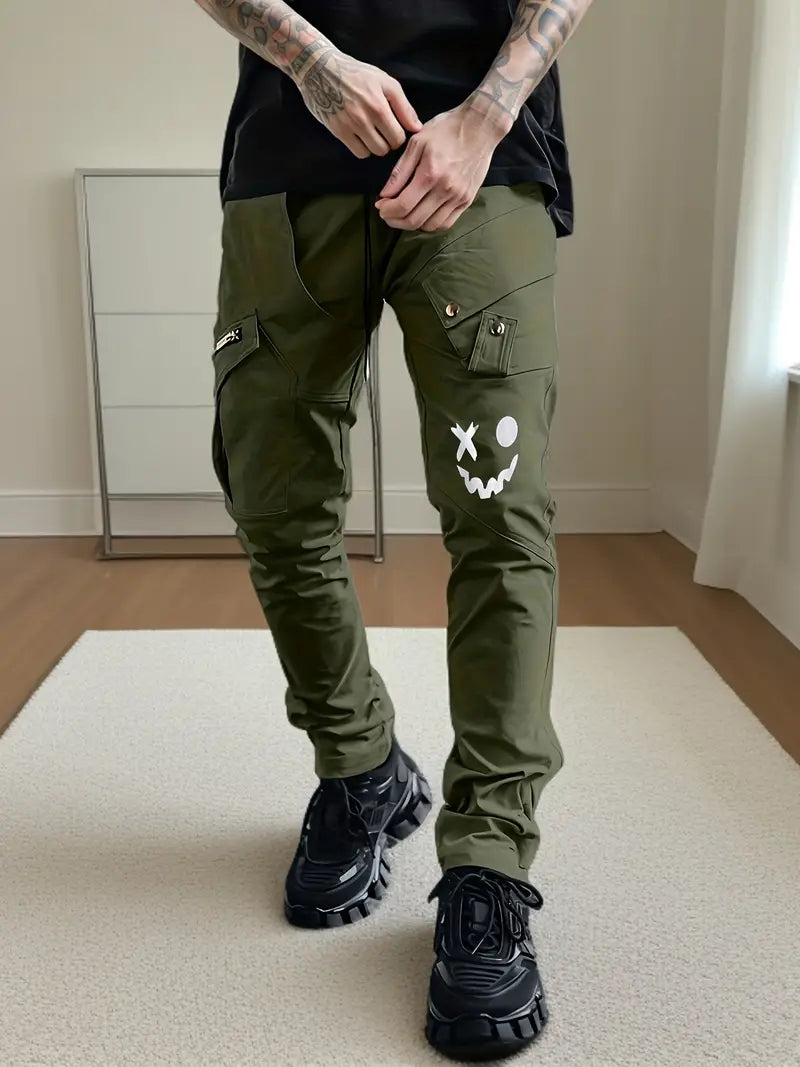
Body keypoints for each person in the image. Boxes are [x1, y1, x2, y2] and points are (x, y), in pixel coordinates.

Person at [194, 0, 593, 1058]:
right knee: (274, 505)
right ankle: (360, 764)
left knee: (498, 523)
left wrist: (487, 112)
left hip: (481, 162)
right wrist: (313, 63)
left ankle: (487, 865)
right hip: (287, 164)